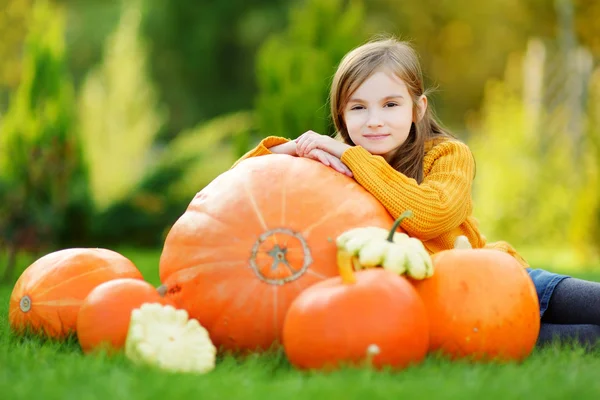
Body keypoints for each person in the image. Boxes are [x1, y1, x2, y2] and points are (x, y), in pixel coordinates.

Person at [234, 36, 600, 349]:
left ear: (417, 108)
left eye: (390, 104)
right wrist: (296, 147)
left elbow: (432, 214)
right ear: (341, 116)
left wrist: (353, 155)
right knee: (583, 340)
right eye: (358, 108)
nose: (374, 119)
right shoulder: (333, 165)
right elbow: (239, 183)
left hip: (499, 279)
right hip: (445, 315)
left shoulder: (447, 155)